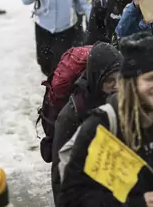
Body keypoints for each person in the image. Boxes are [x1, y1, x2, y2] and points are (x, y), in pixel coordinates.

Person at [58, 31, 153, 207]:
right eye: (150, 79)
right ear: (131, 84)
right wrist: (134, 204)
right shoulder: (102, 126)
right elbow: (71, 199)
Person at [50, 42, 122, 203]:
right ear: (96, 79)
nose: (117, 86)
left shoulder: (126, 104)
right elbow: (60, 174)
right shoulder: (71, 116)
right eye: (110, 80)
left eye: (120, 78)